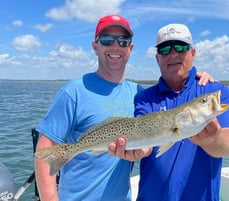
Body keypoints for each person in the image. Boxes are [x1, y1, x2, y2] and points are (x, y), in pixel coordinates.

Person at [35, 14, 214, 201]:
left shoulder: (139, 93)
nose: (115, 46)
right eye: (106, 40)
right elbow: (45, 150)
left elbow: (149, 134)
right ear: (95, 47)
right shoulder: (73, 91)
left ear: (130, 48)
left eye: (122, 40)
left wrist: (198, 80)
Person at [109, 23, 229, 201]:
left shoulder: (215, 92)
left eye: (180, 46)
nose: (173, 54)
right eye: (165, 49)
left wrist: (213, 139)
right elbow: (146, 140)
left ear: (192, 53)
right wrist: (139, 150)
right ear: (157, 58)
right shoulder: (144, 97)